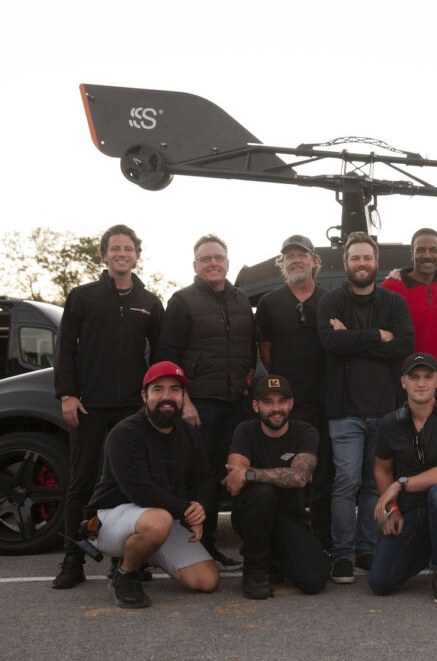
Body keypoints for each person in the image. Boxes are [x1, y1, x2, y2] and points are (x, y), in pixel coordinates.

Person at [52, 224, 164, 589]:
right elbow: (65, 347)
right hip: (88, 407)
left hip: (132, 411)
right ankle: (72, 559)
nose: (121, 254)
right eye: (115, 248)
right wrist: (67, 394)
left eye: (128, 248)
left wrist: (155, 398)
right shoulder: (83, 297)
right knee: (81, 483)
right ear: (104, 255)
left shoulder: (150, 303)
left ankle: (126, 560)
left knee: (127, 485)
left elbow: (161, 357)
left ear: (136, 255)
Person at [317, 231, 414, 584]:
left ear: (376, 263)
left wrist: (352, 340)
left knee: (374, 484)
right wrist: (378, 336)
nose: (362, 263)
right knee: (344, 483)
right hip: (344, 411)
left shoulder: (393, 303)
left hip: (385, 409)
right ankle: (342, 556)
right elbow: (329, 341)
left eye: (367, 258)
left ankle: (366, 550)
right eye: (355, 258)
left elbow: (403, 344)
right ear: (346, 264)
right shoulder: (330, 301)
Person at [155, 234, 256, 570]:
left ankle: (220, 545)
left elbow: (250, 348)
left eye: (219, 258)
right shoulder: (182, 301)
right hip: (200, 404)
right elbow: (166, 355)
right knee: (200, 477)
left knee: (228, 474)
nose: (214, 263)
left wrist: (247, 381)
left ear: (227, 262)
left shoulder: (242, 299)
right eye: (206, 259)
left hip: (236, 403)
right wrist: (182, 399)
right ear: (195, 265)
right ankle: (197, 546)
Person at [85, 361, 219, 609]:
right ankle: (124, 575)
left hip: (154, 519)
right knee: (159, 521)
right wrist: (187, 514)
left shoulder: (188, 433)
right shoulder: (125, 433)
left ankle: (142, 554)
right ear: (144, 395)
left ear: (183, 396)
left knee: (206, 580)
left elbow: (204, 477)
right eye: (158, 389)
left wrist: (200, 505)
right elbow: (141, 492)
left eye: (174, 390)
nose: (166, 397)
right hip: (100, 523)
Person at [368, 353, 437, 604]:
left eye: (428, 377)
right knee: (381, 583)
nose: (421, 383)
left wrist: (399, 485)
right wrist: (393, 510)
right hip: (412, 511)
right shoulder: (390, 424)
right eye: (414, 377)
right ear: (403, 382)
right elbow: (381, 469)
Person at [255, 234, 332, 551]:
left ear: (315, 261)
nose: (296, 259)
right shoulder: (270, 303)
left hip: (327, 401)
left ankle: (324, 540)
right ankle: (288, 541)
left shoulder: (330, 299)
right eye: (289, 256)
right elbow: (266, 353)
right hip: (286, 406)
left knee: (324, 475)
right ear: (282, 263)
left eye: (302, 254)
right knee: (289, 476)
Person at [223, 375, 330, 599]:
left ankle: (276, 558)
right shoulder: (245, 431)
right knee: (263, 493)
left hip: (290, 518)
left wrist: (250, 473)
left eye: (282, 401)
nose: (276, 408)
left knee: (314, 580)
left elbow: (300, 476)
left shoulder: (305, 432)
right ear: (255, 406)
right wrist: (268, 477)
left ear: (291, 403)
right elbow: (233, 480)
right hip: (251, 516)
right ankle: (255, 570)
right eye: (268, 402)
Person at [381, 228, 437, 405]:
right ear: (412, 254)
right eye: (420, 250)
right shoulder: (391, 286)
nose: (427, 255)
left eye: (433, 250)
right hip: (409, 382)